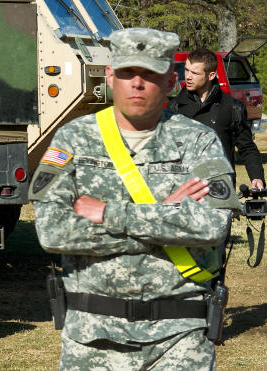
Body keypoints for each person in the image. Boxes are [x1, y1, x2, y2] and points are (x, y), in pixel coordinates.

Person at [31, 28, 240, 369]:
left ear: (171, 81)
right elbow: (53, 232)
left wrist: (109, 215)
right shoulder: (74, 139)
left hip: (180, 336)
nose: (137, 83)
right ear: (111, 76)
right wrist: (165, 214)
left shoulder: (199, 142)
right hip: (91, 336)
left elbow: (211, 227)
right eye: (128, 73)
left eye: (150, 74)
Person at [174, 48, 265, 191]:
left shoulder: (232, 107)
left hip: (222, 192)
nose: (188, 76)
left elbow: (247, 147)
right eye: (186, 70)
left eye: (195, 73)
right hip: (184, 193)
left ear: (210, 75)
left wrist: (257, 177)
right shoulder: (175, 107)